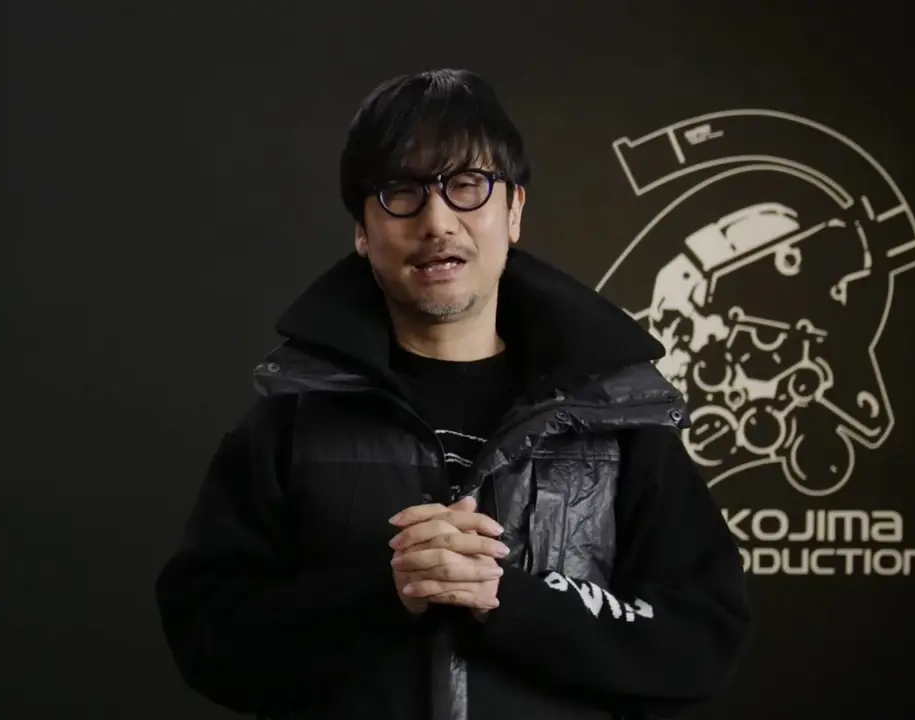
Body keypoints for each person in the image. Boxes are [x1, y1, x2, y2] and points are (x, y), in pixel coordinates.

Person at [155, 68, 751, 720]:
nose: (437, 221)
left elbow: (700, 643)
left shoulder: (614, 418)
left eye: (466, 185)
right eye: (400, 192)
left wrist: (511, 599)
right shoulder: (292, 417)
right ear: (362, 231)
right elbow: (208, 638)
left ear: (513, 210)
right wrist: (384, 594)